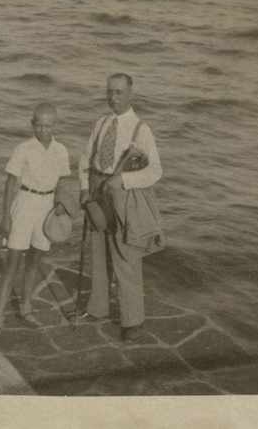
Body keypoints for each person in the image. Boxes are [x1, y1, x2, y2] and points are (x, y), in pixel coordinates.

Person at [78, 73, 163, 342]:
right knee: (98, 251)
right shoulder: (101, 123)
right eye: (110, 92)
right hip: (97, 191)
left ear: (130, 94)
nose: (113, 97)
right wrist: (83, 189)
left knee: (126, 256)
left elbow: (155, 172)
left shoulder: (142, 129)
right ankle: (99, 308)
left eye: (118, 92)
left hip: (124, 197)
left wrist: (123, 180)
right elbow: (85, 158)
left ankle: (132, 320)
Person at [0, 102, 71, 338]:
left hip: (47, 208)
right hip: (24, 204)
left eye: (49, 126)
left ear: (55, 125)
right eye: (40, 125)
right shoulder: (23, 149)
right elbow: (10, 184)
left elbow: (63, 185)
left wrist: (62, 210)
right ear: (32, 124)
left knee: (35, 262)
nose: (44, 130)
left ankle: (26, 308)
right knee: (11, 264)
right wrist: (5, 217)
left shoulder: (61, 150)